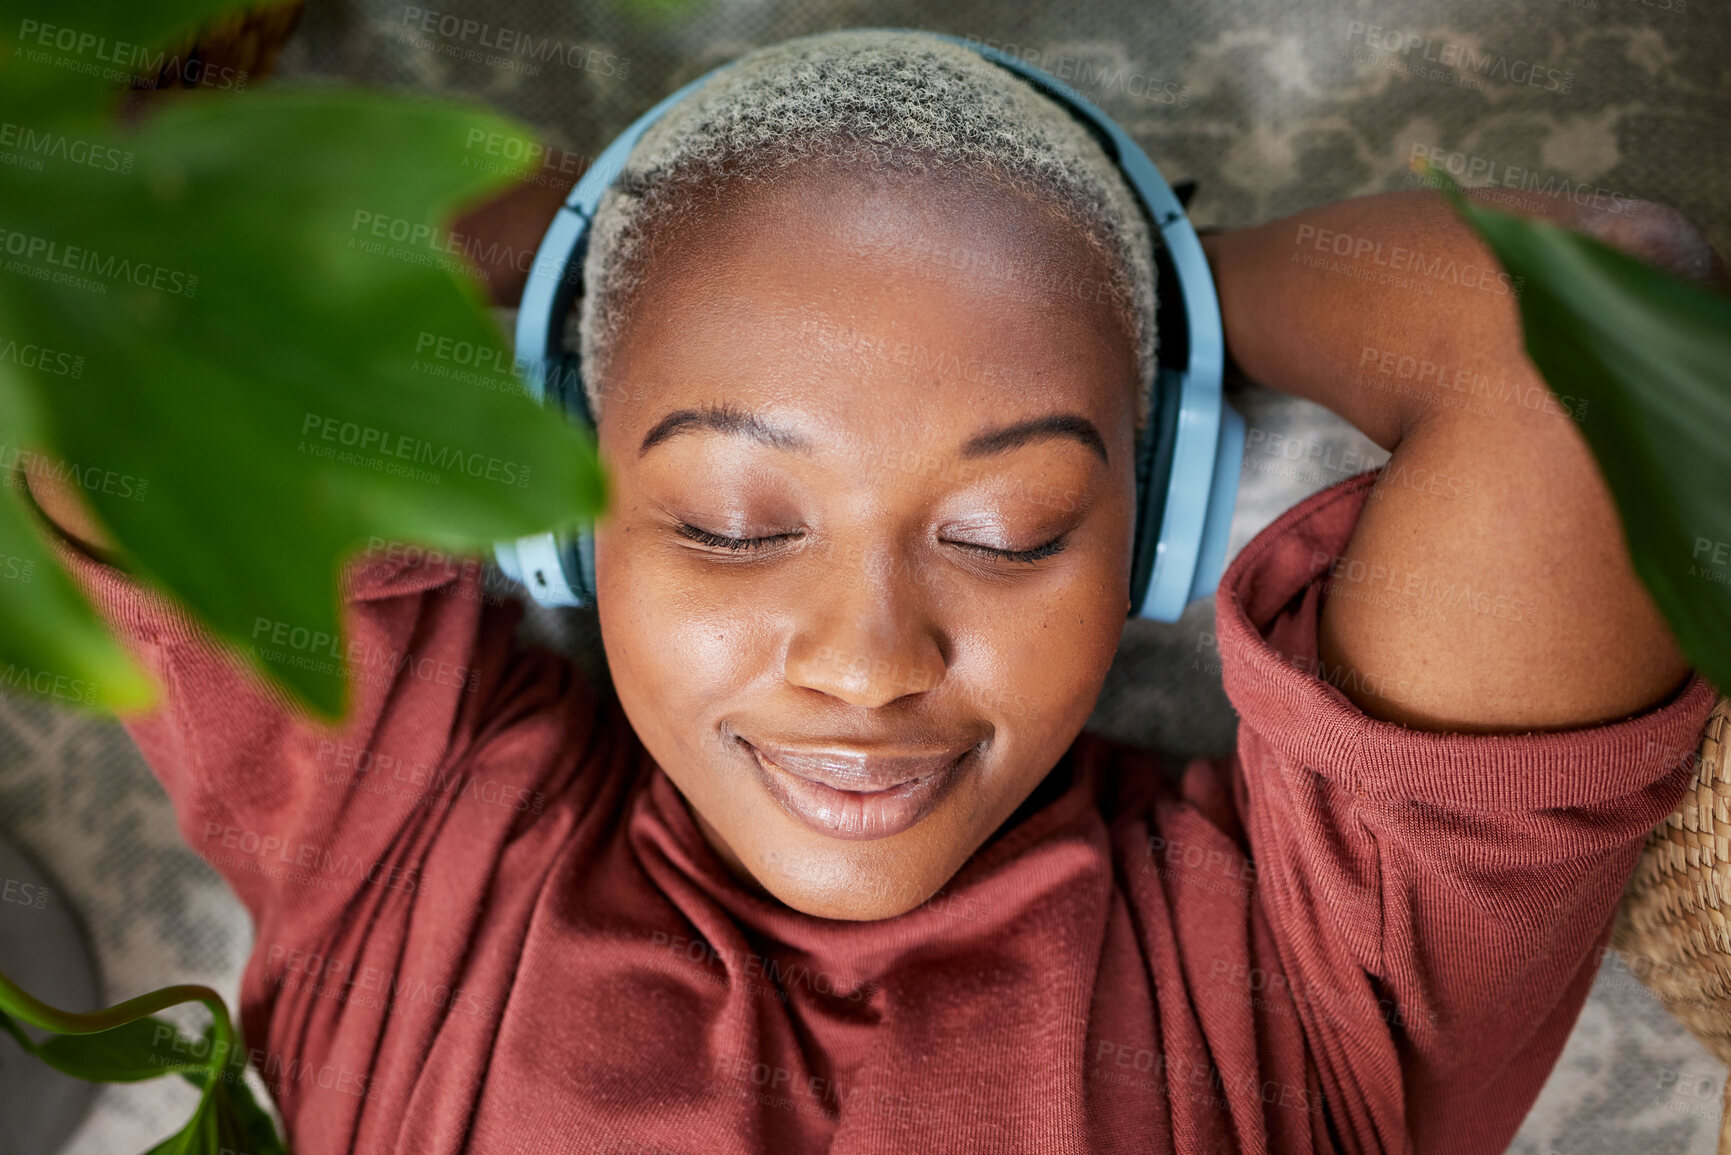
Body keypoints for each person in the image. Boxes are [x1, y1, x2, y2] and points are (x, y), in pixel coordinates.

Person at [23, 28, 1726, 1155]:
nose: (867, 661)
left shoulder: (1305, 993)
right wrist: (594, 264)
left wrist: (1122, 291)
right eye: (737, 523)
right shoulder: (403, 846)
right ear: (566, 510)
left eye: (1002, 530)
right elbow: (116, 258)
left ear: (1154, 528)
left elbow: (1588, 322)